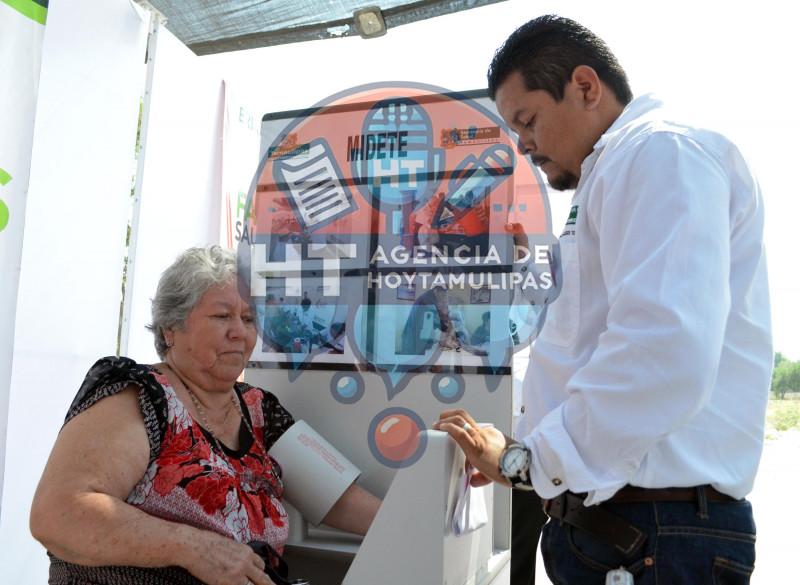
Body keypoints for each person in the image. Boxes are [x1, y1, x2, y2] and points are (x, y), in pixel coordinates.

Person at [435, 15, 771, 585]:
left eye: (528, 120)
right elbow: (586, 327)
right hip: (625, 530)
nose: (523, 145)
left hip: (650, 533)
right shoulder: (617, 170)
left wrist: (529, 463)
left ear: (585, 87)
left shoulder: (658, 154)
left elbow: (662, 351)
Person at [30, 245, 381, 585]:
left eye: (248, 319)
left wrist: (423, 516)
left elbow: (341, 501)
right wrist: (192, 547)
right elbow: (59, 514)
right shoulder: (139, 394)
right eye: (221, 316)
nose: (239, 332)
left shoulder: (259, 409)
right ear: (171, 329)